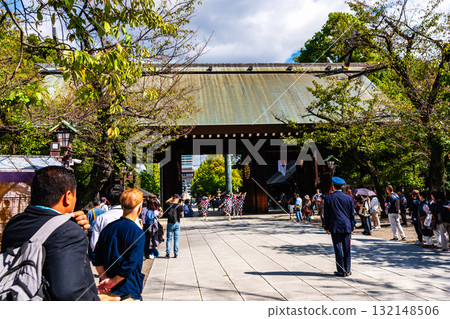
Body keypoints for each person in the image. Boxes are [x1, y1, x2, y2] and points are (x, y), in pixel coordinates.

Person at [1, 166, 100, 300]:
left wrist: (67, 223)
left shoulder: (14, 224)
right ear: (68, 196)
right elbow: (69, 293)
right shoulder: (69, 232)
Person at [93, 188, 145, 301]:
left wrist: (104, 277)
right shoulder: (137, 232)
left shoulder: (107, 229)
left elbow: (96, 256)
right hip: (128, 288)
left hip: (107, 289)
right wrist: (113, 281)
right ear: (139, 209)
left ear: (122, 206)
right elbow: (130, 263)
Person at [90, 184, 141, 250]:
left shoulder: (101, 218)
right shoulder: (132, 217)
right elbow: (138, 240)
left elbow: (94, 244)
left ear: (108, 201)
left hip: (106, 257)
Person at [323, 176, 355, 277]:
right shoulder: (349, 198)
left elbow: (326, 214)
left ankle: (340, 270)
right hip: (346, 226)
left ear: (333, 186)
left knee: (338, 249)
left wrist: (326, 226)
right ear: (342, 186)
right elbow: (351, 214)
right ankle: (348, 269)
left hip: (335, 226)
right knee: (347, 249)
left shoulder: (328, 198)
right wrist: (352, 227)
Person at [163, 194, 184, 258]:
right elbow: (182, 213)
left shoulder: (169, 205)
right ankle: (175, 253)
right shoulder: (179, 206)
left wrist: (171, 199)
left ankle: (168, 253)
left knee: (169, 239)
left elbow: (166, 202)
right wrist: (180, 203)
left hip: (170, 223)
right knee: (176, 239)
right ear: (178, 199)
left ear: (173, 198)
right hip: (177, 223)